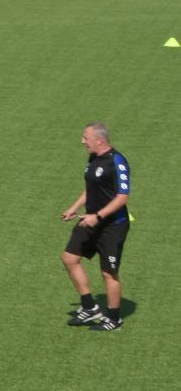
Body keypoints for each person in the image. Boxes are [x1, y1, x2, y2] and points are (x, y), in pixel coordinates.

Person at [62, 122, 131, 331]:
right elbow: (90, 187)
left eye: (86, 138)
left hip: (112, 226)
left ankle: (114, 319)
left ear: (99, 140)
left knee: (109, 273)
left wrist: (97, 216)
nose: (83, 141)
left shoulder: (117, 162)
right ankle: (90, 307)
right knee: (69, 258)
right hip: (90, 220)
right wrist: (74, 207)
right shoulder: (93, 158)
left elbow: (122, 198)